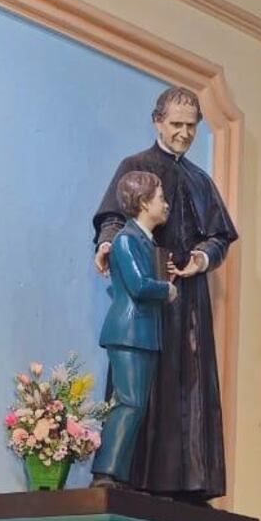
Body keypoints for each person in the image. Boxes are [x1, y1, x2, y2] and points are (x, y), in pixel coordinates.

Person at [93, 87, 237, 502]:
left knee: (188, 387)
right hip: (143, 296)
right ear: (157, 121)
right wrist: (106, 245)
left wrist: (200, 259)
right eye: (176, 124)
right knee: (137, 390)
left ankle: (188, 484)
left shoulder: (199, 180)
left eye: (192, 126)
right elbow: (111, 220)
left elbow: (219, 237)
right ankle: (125, 475)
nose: (184, 133)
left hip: (187, 301)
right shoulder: (134, 168)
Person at [91, 171, 176, 489]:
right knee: (128, 402)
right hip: (128, 332)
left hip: (143, 333)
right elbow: (138, 286)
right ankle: (106, 472)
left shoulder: (144, 240)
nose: (165, 205)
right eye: (161, 198)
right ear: (143, 202)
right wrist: (165, 290)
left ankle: (119, 474)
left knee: (137, 405)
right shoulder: (126, 239)